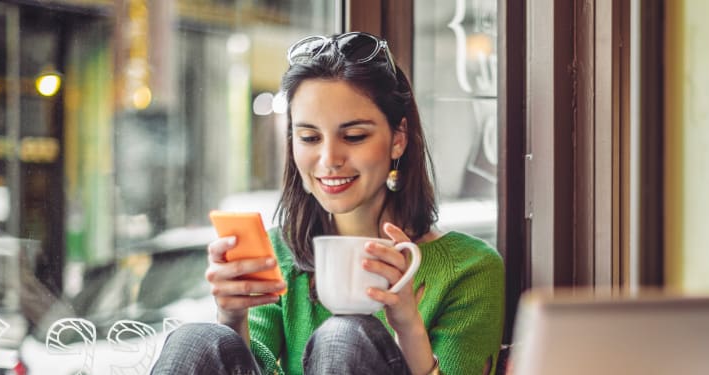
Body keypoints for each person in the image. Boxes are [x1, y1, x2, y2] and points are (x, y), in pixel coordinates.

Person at [151, 32, 505, 375]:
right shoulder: (279, 252)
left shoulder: (469, 269)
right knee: (196, 339)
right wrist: (231, 316)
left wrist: (408, 326)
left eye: (353, 136)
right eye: (309, 137)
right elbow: (250, 365)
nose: (329, 159)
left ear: (398, 139)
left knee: (344, 336)